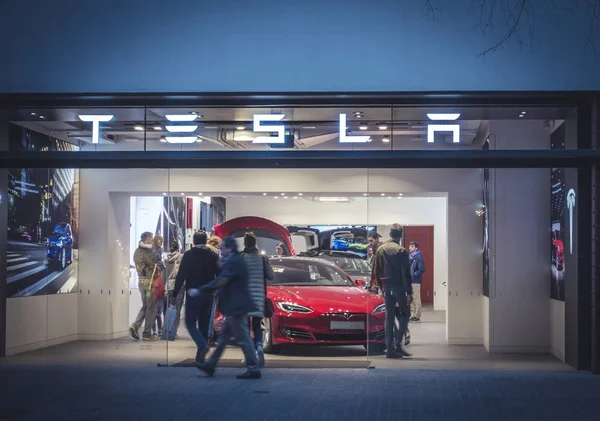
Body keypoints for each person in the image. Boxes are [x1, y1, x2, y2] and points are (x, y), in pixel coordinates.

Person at [197, 236, 261, 379]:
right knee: (223, 338)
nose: (220, 250)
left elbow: (223, 279)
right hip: (235, 306)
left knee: (243, 338)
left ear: (229, 248)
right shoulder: (236, 260)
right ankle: (211, 365)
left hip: (236, 306)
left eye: (223, 247)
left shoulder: (234, 262)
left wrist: (202, 289)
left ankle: (253, 368)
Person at [171, 231, 219, 363]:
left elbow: (181, 275)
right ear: (205, 241)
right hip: (209, 294)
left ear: (194, 241)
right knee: (204, 324)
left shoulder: (189, 255)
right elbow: (219, 274)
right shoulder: (213, 255)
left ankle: (202, 346)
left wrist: (175, 293)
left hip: (193, 293)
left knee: (190, 322)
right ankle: (200, 355)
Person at [375, 224, 413, 359]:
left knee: (389, 317)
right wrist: (409, 292)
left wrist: (380, 286)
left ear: (390, 234)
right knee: (405, 314)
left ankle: (390, 348)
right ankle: (398, 343)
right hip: (399, 287)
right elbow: (405, 273)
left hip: (386, 286)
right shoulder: (401, 251)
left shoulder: (381, 249)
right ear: (400, 235)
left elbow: (377, 270)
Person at [242, 232, 274, 368]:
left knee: (245, 327)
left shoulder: (241, 257)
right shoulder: (262, 258)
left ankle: (249, 356)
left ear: (244, 244)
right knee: (257, 326)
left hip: (244, 297)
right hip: (259, 296)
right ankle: (259, 348)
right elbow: (271, 276)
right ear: (255, 244)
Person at [130, 232, 159, 341]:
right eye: (151, 239)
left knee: (146, 305)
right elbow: (154, 264)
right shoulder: (148, 251)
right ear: (146, 240)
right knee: (151, 307)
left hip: (142, 282)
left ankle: (136, 325)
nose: (153, 241)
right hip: (150, 282)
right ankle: (147, 333)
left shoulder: (137, 251)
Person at [165, 241, 184, 338]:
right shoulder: (181, 257)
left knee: (168, 309)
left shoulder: (166, 258)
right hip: (178, 285)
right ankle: (173, 332)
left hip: (168, 285)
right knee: (177, 309)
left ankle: (167, 329)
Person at [206, 235, 222, 346]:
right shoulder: (214, 255)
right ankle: (209, 336)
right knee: (211, 312)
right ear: (215, 245)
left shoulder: (201, 253)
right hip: (213, 287)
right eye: (219, 246)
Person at [152, 235, 166, 337]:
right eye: (159, 240)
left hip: (159, 287)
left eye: (161, 241)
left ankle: (158, 330)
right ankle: (155, 331)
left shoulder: (160, 250)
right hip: (154, 286)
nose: (160, 242)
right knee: (155, 312)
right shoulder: (152, 250)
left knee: (158, 312)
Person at [409, 241, 425, 323]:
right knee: (411, 299)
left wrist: (414, 274)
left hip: (416, 281)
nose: (410, 248)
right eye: (410, 246)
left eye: (412, 246)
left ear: (416, 248)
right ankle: (413, 315)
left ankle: (417, 316)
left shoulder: (419, 257)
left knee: (416, 298)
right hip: (409, 281)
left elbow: (421, 269)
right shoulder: (409, 257)